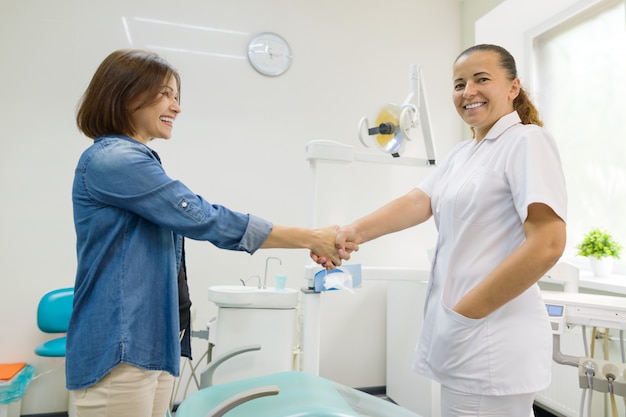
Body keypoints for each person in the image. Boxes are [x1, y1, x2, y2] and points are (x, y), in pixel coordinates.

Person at [68, 48, 352, 417]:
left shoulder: (134, 159)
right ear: (126, 94)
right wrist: (312, 238)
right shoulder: (114, 160)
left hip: (152, 342)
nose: (177, 106)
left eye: (176, 95)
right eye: (165, 94)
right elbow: (204, 217)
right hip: (121, 347)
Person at [328, 44, 567, 417]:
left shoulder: (525, 141)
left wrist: (467, 312)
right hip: (467, 337)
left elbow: (548, 244)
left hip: (491, 338)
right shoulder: (462, 154)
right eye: (459, 84)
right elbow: (417, 202)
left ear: (513, 87)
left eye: (481, 79)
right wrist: (352, 231)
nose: (468, 91)